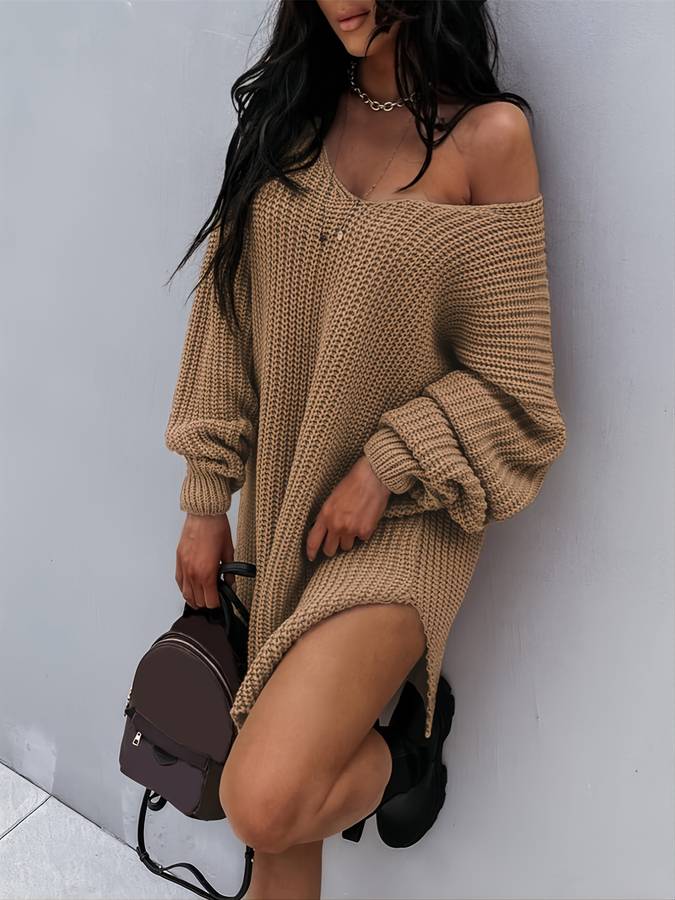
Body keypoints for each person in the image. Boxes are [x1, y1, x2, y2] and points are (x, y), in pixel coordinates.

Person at [163, 1, 567, 897]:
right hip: (281, 504)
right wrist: (205, 496)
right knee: (280, 844)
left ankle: (407, 756)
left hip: (408, 519)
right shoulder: (291, 114)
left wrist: (388, 461)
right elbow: (226, 319)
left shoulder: (488, 139)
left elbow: (515, 384)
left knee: (263, 800)